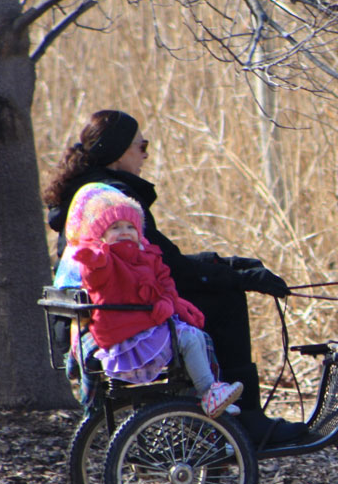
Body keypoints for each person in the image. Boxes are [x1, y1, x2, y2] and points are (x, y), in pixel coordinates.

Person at [44, 110, 307, 446]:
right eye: (142, 146)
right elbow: (165, 268)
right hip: (119, 316)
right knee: (225, 300)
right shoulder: (112, 199)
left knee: (217, 286)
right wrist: (235, 277)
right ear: (120, 150)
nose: (145, 154)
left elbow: (157, 258)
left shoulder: (84, 193)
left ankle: (223, 413)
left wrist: (227, 266)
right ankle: (247, 420)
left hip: (92, 315)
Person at [66, 186, 242, 418]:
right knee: (189, 339)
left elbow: (165, 282)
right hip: (128, 336)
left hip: (148, 325)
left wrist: (167, 301)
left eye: (130, 227)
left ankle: (203, 394)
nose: (124, 232)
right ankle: (208, 392)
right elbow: (96, 279)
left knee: (197, 336)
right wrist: (93, 261)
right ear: (101, 236)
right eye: (115, 228)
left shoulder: (149, 255)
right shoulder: (105, 258)